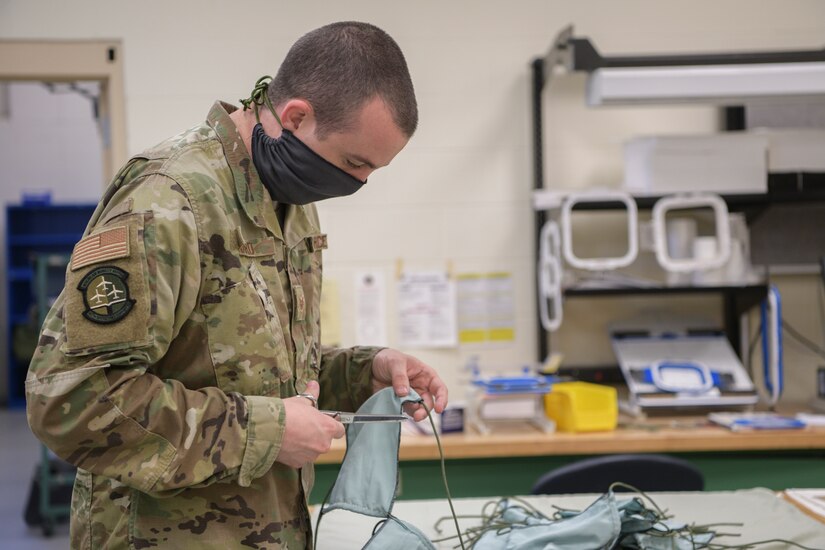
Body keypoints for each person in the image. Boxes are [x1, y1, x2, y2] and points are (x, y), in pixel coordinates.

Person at [26, 21, 447, 549]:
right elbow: (71, 400)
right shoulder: (168, 200)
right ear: (296, 117)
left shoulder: (289, 203)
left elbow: (256, 373)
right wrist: (267, 432)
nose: (357, 184)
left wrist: (367, 371)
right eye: (354, 162)